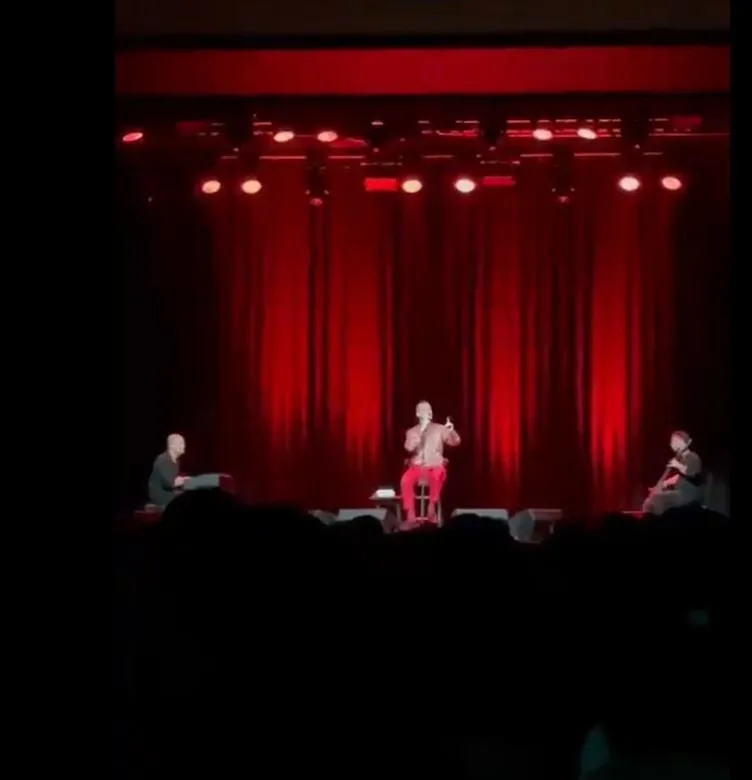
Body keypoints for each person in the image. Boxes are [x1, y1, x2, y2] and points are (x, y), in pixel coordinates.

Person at [400, 400, 460, 524]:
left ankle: (431, 507)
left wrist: (451, 431)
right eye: (425, 410)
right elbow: (408, 448)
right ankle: (410, 513)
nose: (429, 412)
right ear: (418, 414)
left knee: (436, 475)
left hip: (435, 466)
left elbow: (455, 442)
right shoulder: (411, 432)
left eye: (430, 410)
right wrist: (420, 434)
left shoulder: (440, 429)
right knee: (405, 480)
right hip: (417, 467)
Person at [642, 430, 703, 515]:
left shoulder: (692, 457)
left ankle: (660, 520)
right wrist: (661, 485)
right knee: (649, 501)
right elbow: (678, 477)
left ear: (684, 442)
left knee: (658, 498)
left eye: (676, 441)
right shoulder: (680, 459)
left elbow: (692, 473)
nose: (672, 444)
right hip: (678, 493)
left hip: (687, 494)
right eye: (672, 442)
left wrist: (678, 465)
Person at [148, 433, 190, 508]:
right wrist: (186, 480)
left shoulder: (176, 461)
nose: (184, 446)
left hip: (170, 492)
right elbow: (170, 483)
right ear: (172, 446)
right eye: (181, 443)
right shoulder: (163, 459)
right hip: (161, 495)